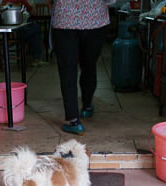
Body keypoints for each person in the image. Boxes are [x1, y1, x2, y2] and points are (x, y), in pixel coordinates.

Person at [46, 0, 117, 135]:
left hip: (65, 20)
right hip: (95, 20)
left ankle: (74, 121)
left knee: (67, 70)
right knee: (89, 65)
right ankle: (87, 106)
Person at [1, 0, 48, 66]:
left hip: (19, 24)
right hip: (15, 26)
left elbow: (34, 13)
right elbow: (34, 13)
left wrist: (32, 6)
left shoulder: (26, 1)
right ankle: (36, 58)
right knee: (36, 29)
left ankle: (36, 58)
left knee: (35, 29)